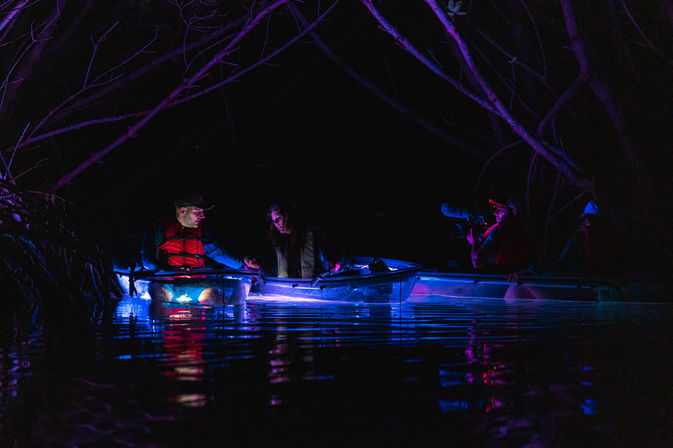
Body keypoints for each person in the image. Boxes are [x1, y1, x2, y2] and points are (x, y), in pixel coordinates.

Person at [141, 194, 258, 271]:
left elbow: (216, 252)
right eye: (197, 212)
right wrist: (170, 270)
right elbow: (147, 261)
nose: (203, 216)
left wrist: (243, 266)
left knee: (212, 295)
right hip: (166, 282)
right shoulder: (158, 226)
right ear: (182, 211)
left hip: (196, 281)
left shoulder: (201, 229)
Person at [266, 203, 342, 278]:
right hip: (292, 286)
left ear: (287, 216)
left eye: (278, 219)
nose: (276, 224)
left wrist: (334, 262)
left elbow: (333, 257)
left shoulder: (312, 235)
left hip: (316, 283)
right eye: (274, 221)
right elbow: (275, 268)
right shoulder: (279, 242)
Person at [465, 197, 534, 270]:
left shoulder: (501, 229)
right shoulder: (527, 231)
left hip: (498, 276)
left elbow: (477, 262)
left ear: (514, 212)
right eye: (496, 208)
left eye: (500, 209)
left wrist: (474, 243)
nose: (495, 213)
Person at [559, 200, 624, 275]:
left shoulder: (608, 233)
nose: (590, 223)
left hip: (598, 273)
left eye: (595, 220)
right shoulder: (579, 236)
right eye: (590, 219)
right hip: (589, 274)